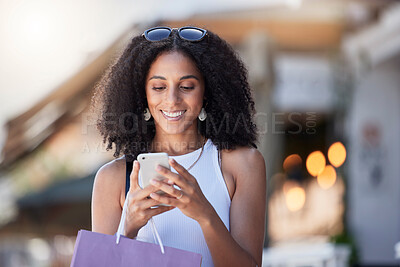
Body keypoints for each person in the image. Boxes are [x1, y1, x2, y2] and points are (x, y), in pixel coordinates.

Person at [91, 25, 266, 267]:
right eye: (159, 87)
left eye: (186, 86)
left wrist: (206, 215)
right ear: (143, 94)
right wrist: (127, 228)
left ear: (207, 91)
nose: (172, 100)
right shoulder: (113, 178)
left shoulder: (243, 164)